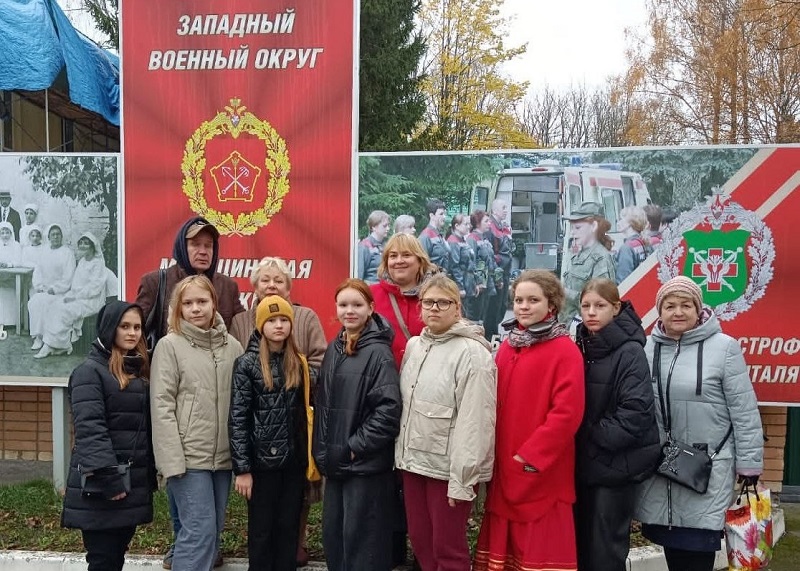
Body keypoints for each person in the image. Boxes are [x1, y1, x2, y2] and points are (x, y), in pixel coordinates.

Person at [136, 216, 244, 569]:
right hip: (187, 457)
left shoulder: (232, 346)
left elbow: (242, 402)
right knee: (197, 533)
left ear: (214, 303)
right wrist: (170, 463)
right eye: (188, 304)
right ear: (177, 308)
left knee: (208, 535)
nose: (197, 308)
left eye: (203, 302)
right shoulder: (169, 345)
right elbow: (162, 405)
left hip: (222, 459)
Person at [635, 276, 764, 571]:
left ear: (698, 309)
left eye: (685, 305)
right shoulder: (647, 348)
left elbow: (744, 411)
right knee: (674, 549)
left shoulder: (725, 348)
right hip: (663, 471)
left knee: (696, 552)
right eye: (669, 306)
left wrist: (750, 464)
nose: (677, 312)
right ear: (660, 311)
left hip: (708, 470)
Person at [473, 269, 585, 571]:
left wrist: (532, 455)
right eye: (519, 299)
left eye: (533, 300)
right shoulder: (509, 346)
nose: (523, 306)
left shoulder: (565, 350)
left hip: (540, 468)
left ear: (551, 305)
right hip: (503, 463)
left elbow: (567, 413)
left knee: (537, 546)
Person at [228, 256, 327, 567]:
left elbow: (318, 373)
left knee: (288, 525)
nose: (278, 325)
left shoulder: (298, 354)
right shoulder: (245, 360)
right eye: (265, 280)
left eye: (278, 280)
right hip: (260, 461)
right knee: (261, 529)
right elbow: (239, 414)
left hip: (294, 456)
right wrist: (242, 467)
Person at [395, 274, 496, 571]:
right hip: (414, 464)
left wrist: (462, 479)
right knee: (422, 542)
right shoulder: (415, 346)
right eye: (428, 302)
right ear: (420, 307)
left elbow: (475, 421)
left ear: (457, 308)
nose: (434, 308)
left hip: (448, 471)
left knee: (448, 549)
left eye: (443, 302)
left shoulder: (473, 353)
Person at [312, 279, 402, 571]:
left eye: (357, 305)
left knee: (364, 549)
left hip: (363, 468)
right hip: (336, 467)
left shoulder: (378, 353)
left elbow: (388, 412)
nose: (349, 311)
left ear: (371, 308)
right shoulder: (334, 347)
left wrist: (353, 449)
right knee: (337, 543)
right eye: (343, 305)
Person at [60, 301, 155, 571]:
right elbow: (90, 430)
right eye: (124, 326)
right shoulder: (89, 372)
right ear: (109, 328)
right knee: (103, 560)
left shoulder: (135, 370)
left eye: (137, 327)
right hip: (104, 488)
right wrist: (110, 481)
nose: (132, 333)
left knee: (115, 559)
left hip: (129, 487)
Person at [573, 279, 661, 571]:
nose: (591, 313)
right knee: (580, 549)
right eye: (585, 306)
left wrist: (588, 434)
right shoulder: (581, 345)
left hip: (615, 467)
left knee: (605, 554)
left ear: (616, 308)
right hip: (583, 466)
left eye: (600, 306)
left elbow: (635, 413)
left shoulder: (630, 351)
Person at [136, 216, 245, 339]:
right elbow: (135, 329)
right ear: (182, 247)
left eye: (208, 245)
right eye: (195, 244)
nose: (203, 251)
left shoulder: (227, 286)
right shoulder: (154, 282)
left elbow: (244, 328)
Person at [32, 232, 108, 358]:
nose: (83, 246)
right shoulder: (83, 262)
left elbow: (94, 288)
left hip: (91, 301)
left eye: (87, 243)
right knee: (55, 304)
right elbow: (76, 284)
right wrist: (71, 295)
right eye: (81, 243)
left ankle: (50, 346)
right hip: (78, 297)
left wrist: (75, 297)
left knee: (63, 309)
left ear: (93, 246)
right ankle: (61, 344)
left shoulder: (98, 264)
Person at [371, 233, 436, 366]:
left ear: (420, 261)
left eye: (406, 255)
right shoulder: (370, 295)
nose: (399, 261)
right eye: (393, 256)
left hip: (426, 380)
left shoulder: (438, 295)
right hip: (381, 381)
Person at [559, 202, 616, 327]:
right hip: (570, 327)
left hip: (587, 330)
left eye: (578, 228)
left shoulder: (600, 258)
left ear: (594, 226)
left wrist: (565, 292)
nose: (573, 233)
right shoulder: (580, 253)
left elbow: (602, 302)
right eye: (572, 228)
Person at [27, 223, 76, 349]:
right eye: (53, 235)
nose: (55, 237)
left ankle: (47, 338)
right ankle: (38, 337)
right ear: (48, 237)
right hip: (44, 290)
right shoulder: (44, 252)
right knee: (34, 302)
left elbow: (68, 277)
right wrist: (38, 286)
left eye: (58, 234)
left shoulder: (67, 253)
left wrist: (54, 289)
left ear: (61, 236)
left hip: (61, 291)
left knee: (47, 303)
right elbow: (37, 271)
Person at [484, 199, 512, 339]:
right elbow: (491, 255)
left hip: (504, 272)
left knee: (502, 306)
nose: (506, 210)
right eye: (503, 207)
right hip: (497, 273)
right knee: (494, 307)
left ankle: (493, 334)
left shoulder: (502, 227)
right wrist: (497, 276)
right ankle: (491, 336)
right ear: (495, 210)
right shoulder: (490, 229)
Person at [465, 210, 496, 326]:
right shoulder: (472, 239)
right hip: (478, 285)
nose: (489, 223)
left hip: (486, 283)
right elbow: (471, 262)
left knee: (483, 316)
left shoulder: (484, 238)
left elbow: (490, 261)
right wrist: (477, 282)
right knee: (474, 316)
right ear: (478, 223)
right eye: (486, 221)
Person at [446, 214, 477, 313]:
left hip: (468, 282)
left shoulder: (463, 240)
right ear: (456, 226)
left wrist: (474, 283)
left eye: (469, 224)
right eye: (466, 224)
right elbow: (454, 266)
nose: (468, 227)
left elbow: (471, 263)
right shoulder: (453, 241)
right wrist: (460, 287)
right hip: (461, 283)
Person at [615, 206, 653, 284]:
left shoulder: (626, 248)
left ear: (630, 223)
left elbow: (623, 281)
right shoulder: (646, 243)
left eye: (621, 219)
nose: (618, 222)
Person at [358, 210, 390, 284]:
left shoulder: (386, 245)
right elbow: (359, 275)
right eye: (385, 226)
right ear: (374, 227)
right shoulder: (364, 246)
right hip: (371, 289)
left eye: (388, 225)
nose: (388, 228)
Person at [419, 199, 450, 275]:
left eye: (444, 214)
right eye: (441, 214)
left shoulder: (439, 235)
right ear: (432, 216)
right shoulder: (425, 236)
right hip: (432, 282)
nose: (444, 217)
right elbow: (422, 265)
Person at [0, 221, 22, 327]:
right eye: (2, 232)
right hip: (1, 277)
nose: (5, 235)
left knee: (10, 294)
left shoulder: (16, 245)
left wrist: (8, 264)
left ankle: (12, 322)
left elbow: (19, 261)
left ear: (11, 233)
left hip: (12, 278)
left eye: (7, 232)